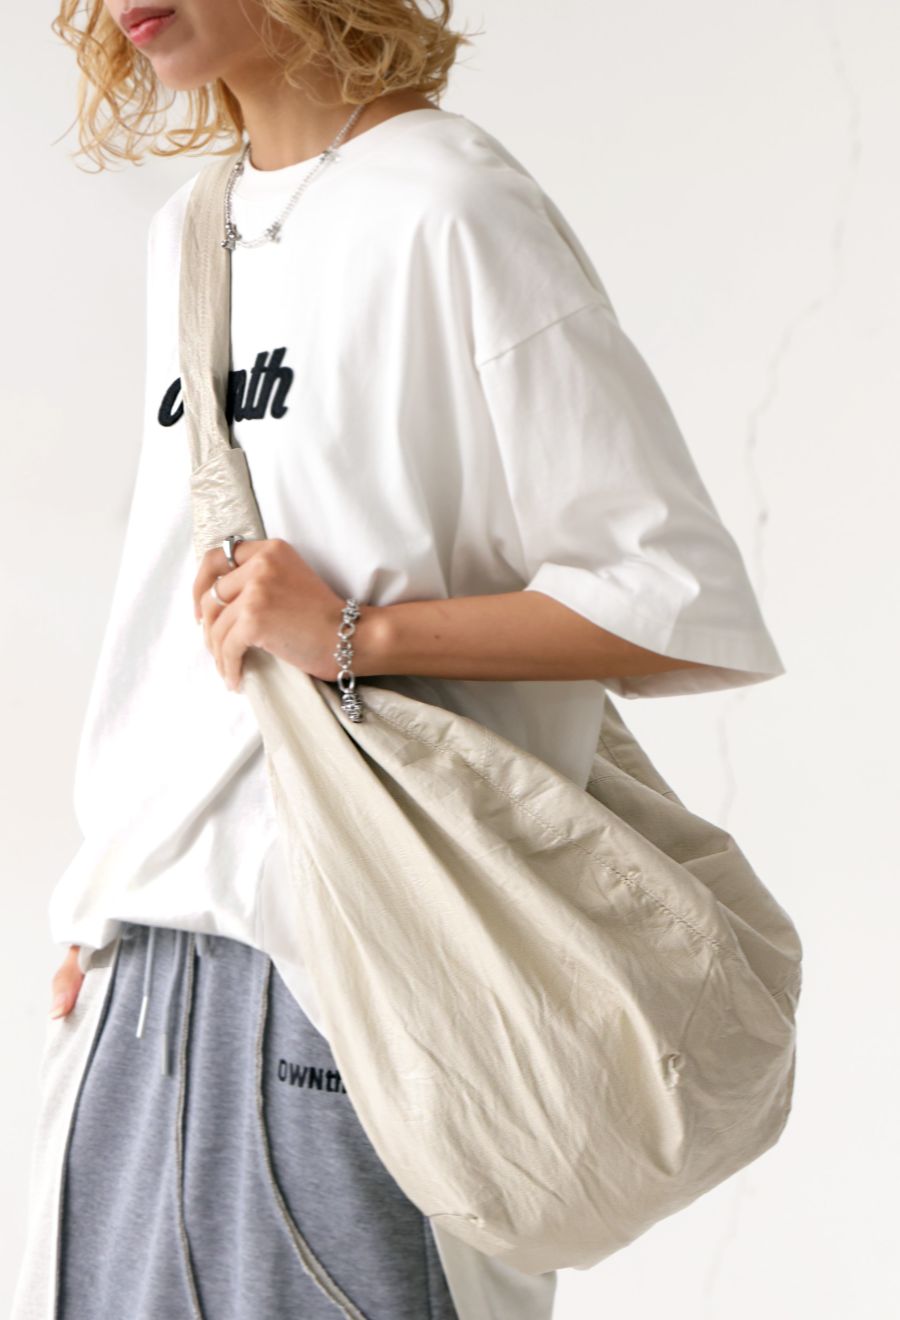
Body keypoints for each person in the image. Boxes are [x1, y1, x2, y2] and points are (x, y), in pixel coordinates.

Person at [14, 2, 787, 1318]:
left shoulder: (449, 205)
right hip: (137, 992)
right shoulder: (191, 235)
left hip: (357, 976)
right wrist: (109, 904)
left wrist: (355, 637)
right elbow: (169, 622)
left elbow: (672, 598)